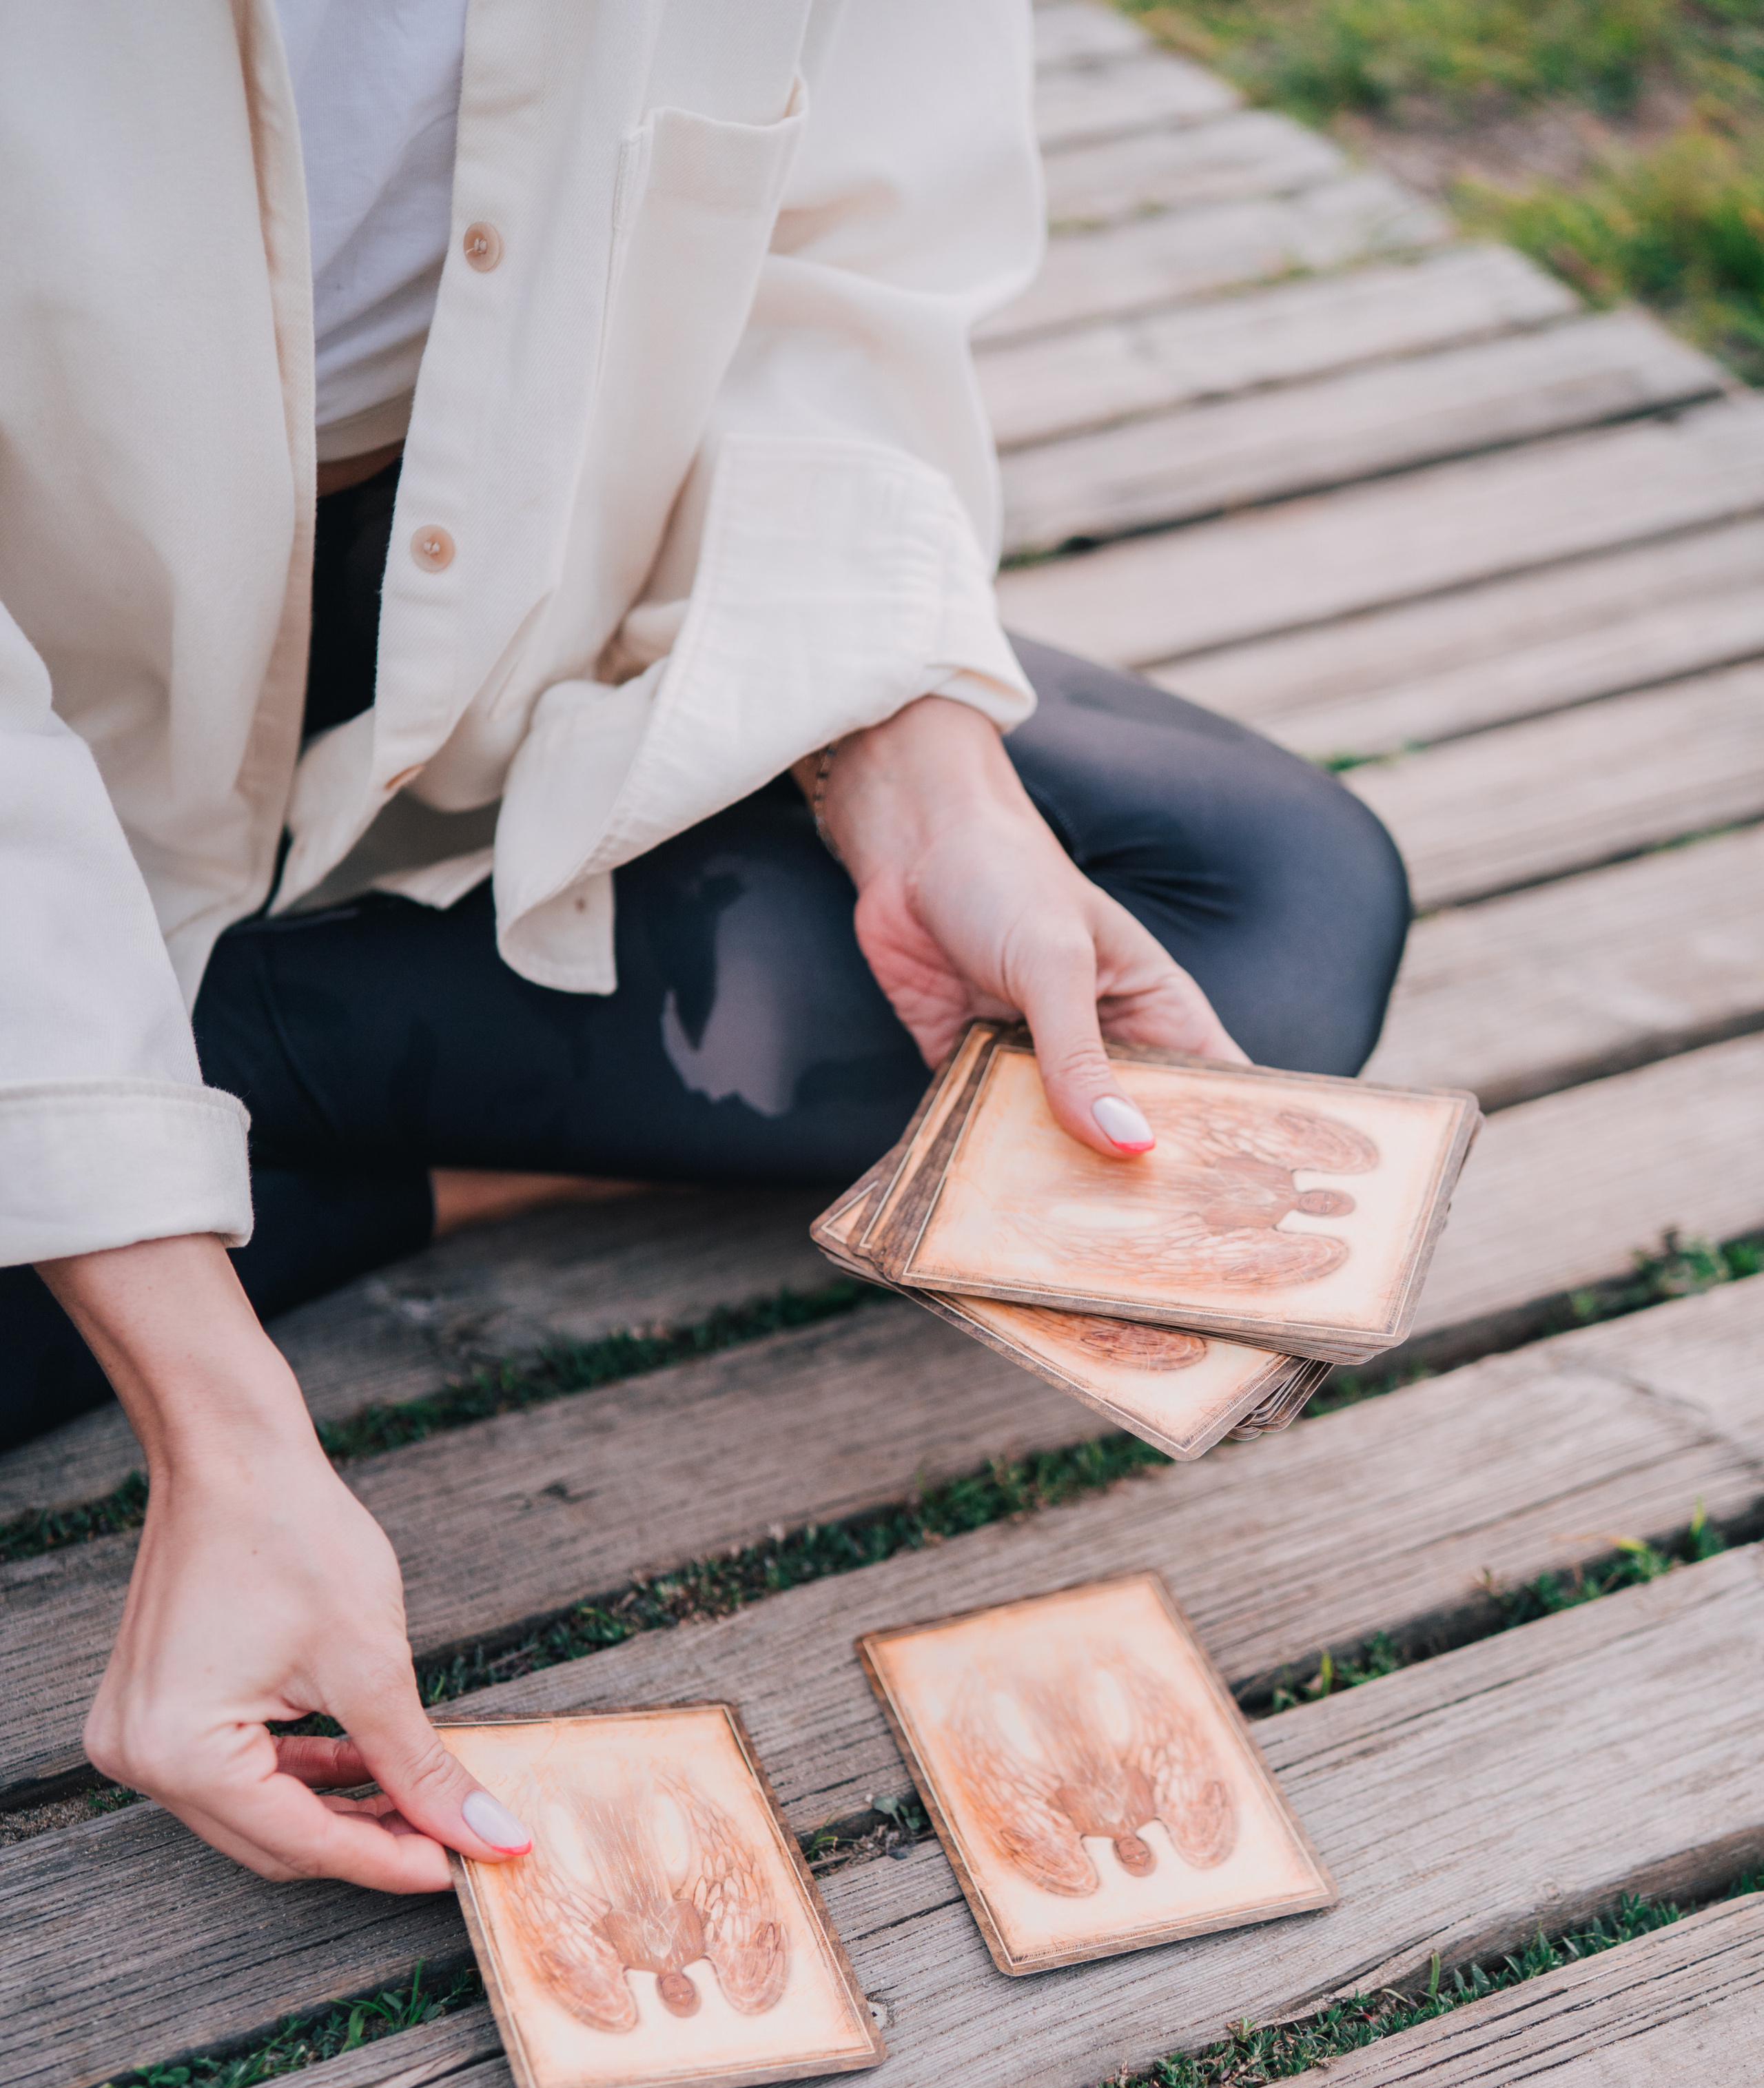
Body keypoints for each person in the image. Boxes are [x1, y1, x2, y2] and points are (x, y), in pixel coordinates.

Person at [0, 3, 1408, 1898]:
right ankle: (215, 1116)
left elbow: (840, 258)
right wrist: (221, 1417)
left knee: (1269, 920)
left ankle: (210, 1100)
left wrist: (919, 782)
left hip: (514, 593)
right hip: (66, 665)